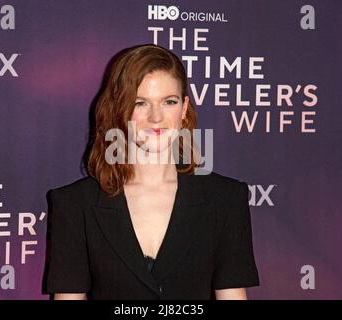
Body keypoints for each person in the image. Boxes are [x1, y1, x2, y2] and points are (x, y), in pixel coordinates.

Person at [45, 44, 259, 300]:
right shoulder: (76, 204)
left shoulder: (225, 198)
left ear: (184, 109)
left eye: (169, 102)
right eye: (140, 103)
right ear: (118, 111)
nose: (156, 117)